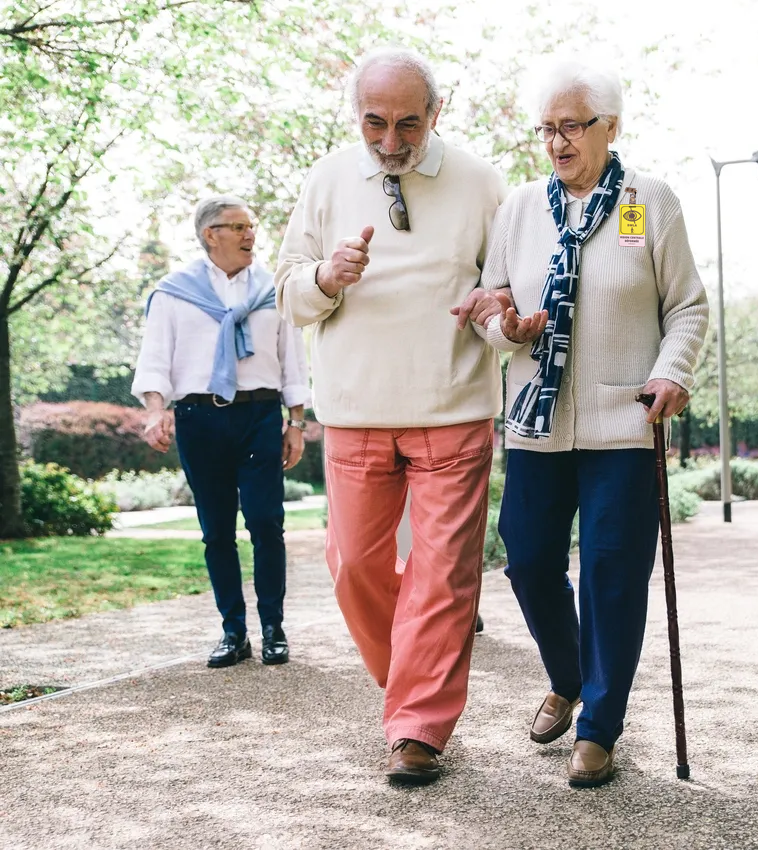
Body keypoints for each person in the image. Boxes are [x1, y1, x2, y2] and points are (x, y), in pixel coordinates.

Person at [453, 60, 708, 787]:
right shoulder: (521, 210)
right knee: (527, 556)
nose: (557, 143)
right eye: (547, 129)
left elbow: (686, 306)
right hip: (537, 419)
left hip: (622, 421)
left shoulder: (648, 202)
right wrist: (508, 325)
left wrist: (672, 371)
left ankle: (598, 726)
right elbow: (495, 313)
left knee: (610, 574)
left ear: (610, 127)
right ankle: (568, 678)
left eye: (572, 126)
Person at [274, 46, 507, 785]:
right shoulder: (327, 179)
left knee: (443, 577)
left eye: (409, 123)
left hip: (452, 406)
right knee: (352, 567)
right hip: (354, 408)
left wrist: (497, 315)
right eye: (375, 123)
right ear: (357, 116)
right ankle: (411, 683)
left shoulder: (479, 183)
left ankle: (417, 727)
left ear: (435, 114)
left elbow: (504, 295)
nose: (391, 141)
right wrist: (324, 276)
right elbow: (287, 292)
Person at [133, 195, 309, 669]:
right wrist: (154, 409)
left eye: (251, 225)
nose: (251, 234)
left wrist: (296, 423)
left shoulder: (275, 288)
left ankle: (273, 627)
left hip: (259, 416)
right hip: (200, 419)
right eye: (239, 226)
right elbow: (155, 359)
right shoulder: (174, 292)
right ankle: (234, 632)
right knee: (216, 532)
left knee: (266, 522)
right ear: (211, 234)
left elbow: (293, 358)